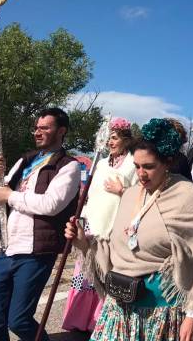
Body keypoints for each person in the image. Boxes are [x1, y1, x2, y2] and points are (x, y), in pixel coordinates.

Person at [66, 118, 193, 340]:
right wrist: (83, 242)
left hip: (163, 313)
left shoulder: (188, 196)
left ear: (167, 162)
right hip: (120, 309)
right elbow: (115, 248)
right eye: (137, 166)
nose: (141, 174)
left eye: (148, 167)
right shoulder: (130, 195)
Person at [0, 108, 81, 341]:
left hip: (36, 251)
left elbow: (51, 204)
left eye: (45, 128)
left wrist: (11, 196)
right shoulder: (25, 159)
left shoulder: (68, 166)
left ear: (61, 131)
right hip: (8, 247)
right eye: (36, 128)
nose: (38, 132)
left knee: (19, 320)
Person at [63, 117, 138, 333]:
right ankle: (80, 319)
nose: (110, 143)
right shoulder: (101, 163)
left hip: (115, 225)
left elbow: (141, 195)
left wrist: (123, 191)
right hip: (93, 224)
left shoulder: (133, 164)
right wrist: (83, 216)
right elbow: (92, 193)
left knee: (105, 272)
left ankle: (101, 320)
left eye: (114, 138)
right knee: (86, 272)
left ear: (125, 139)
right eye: (108, 139)